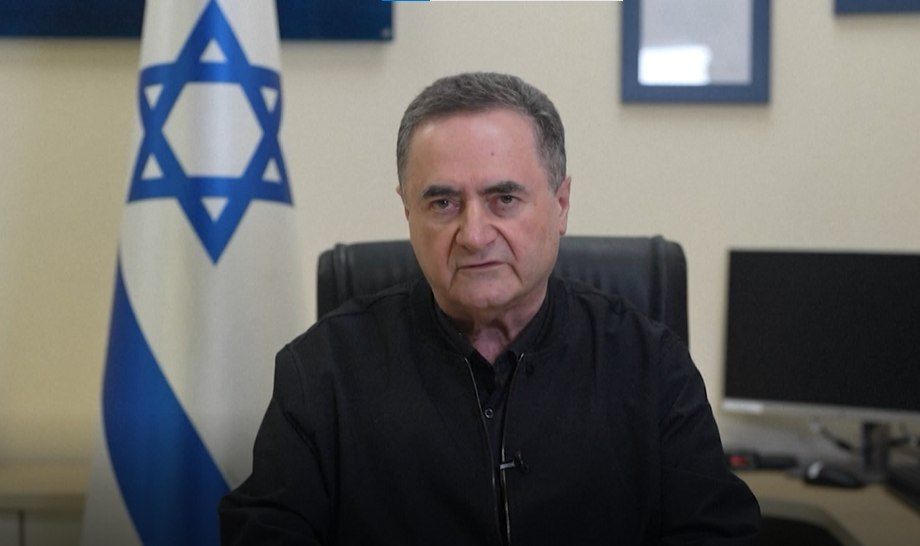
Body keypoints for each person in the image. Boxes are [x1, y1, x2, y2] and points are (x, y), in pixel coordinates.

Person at [219, 72, 760, 545]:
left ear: (561, 204)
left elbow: (716, 533)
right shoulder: (322, 372)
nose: (474, 235)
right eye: (443, 203)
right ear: (408, 213)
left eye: (504, 199)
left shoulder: (651, 366)